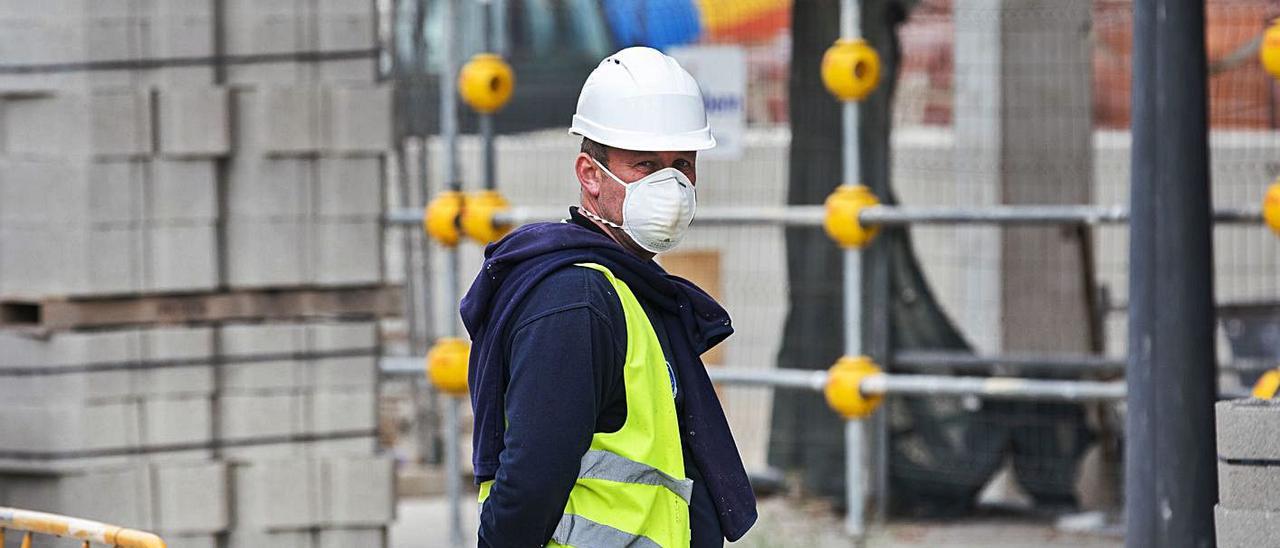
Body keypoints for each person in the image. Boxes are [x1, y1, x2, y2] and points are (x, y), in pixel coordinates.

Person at [460, 47, 757, 547]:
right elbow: (527, 485)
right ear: (590, 174)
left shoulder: (631, 288)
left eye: (682, 163)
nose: (672, 185)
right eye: (645, 164)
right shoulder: (575, 301)